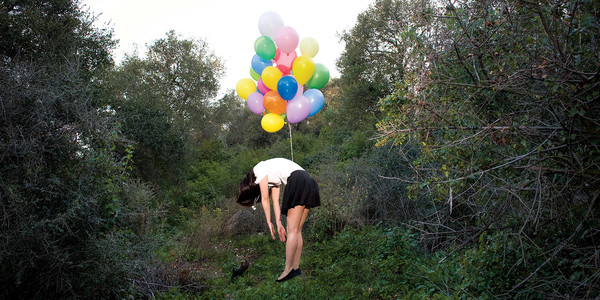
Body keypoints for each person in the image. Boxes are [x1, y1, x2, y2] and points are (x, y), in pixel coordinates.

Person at [236, 158, 321, 282]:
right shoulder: (271, 174)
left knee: (292, 231)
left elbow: (265, 198)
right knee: (297, 231)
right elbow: (275, 201)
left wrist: (268, 222)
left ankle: (288, 270)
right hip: (308, 180)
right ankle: (296, 268)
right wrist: (278, 223)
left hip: (297, 181)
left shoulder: (259, 170)